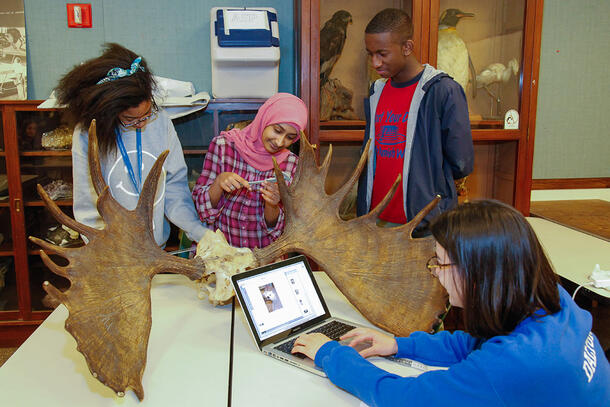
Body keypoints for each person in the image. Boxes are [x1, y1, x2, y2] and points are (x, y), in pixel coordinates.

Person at [291, 200, 610, 406]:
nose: (436, 275)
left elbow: (401, 398)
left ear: (477, 274)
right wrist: (399, 346)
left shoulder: (512, 364)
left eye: (440, 264)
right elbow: (476, 344)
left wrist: (329, 353)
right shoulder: (555, 303)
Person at [55, 43, 208, 247]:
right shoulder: (87, 134)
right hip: (112, 253)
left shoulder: (161, 122)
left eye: (147, 113)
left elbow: (174, 188)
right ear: (108, 112)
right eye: (131, 119)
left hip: (155, 248)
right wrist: (108, 250)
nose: (142, 123)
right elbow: (88, 205)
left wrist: (198, 231)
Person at [356, 8, 473, 236]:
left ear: (407, 48)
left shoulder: (442, 91)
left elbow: (462, 163)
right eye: (370, 54)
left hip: (423, 225)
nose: (375, 62)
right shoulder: (376, 91)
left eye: (382, 53)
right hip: (375, 221)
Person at [192, 93, 307, 249]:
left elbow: (282, 230)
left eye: (290, 137)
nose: (280, 142)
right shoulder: (223, 147)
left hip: (262, 258)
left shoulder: (291, 165)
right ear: (264, 119)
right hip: (219, 255)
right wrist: (219, 183)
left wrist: (272, 206)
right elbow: (201, 209)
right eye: (277, 130)